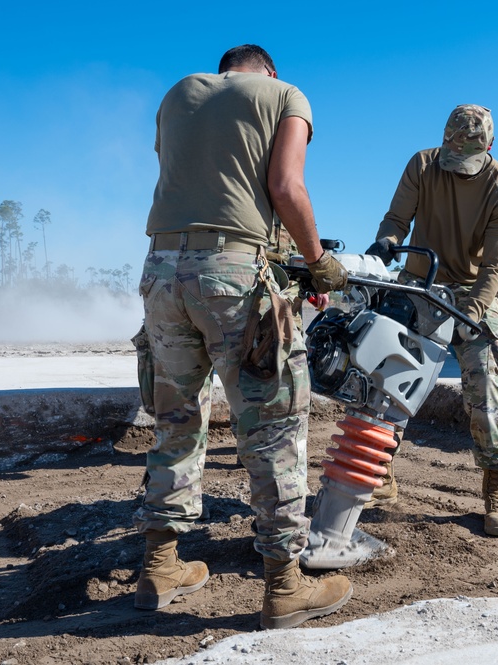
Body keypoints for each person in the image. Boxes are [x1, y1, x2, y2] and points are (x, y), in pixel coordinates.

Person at [132, 44, 352, 630]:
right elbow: (285, 186)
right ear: (269, 72)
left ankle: (159, 566)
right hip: (231, 278)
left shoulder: (177, 93)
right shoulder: (286, 95)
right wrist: (319, 261)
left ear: (225, 70)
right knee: (275, 424)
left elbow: (187, 178)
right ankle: (283, 587)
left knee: (176, 421)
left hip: (160, 274)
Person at [365, 104, 498, 536]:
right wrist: (385, 244)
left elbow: (494, 267)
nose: (456, 169)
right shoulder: (423, 164)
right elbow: (397, 219)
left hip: (475, 293)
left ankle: (496, 485)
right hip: (420, 284)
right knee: (387, 380)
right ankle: (382, 470)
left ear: (489, 147)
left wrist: (472, 312)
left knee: (485, 391)